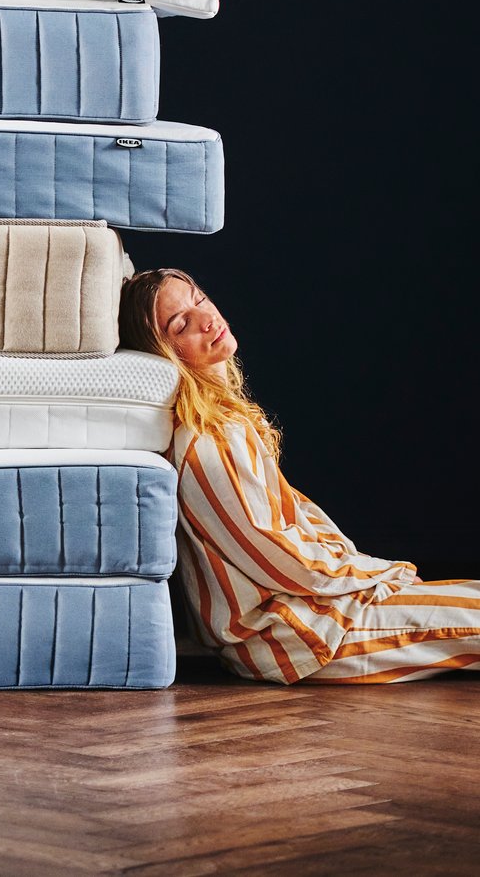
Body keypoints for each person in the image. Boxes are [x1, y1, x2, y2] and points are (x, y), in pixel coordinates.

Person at [119, 267, 480, 685]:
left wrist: (363, 570)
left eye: (198, 299)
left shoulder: (227, 420)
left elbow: (296, 515)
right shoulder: (205, 445)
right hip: (297, 636)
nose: (206, 318)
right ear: (164, 354)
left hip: (318, 609)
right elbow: (279, 556)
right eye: (181, 324)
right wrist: (379, 574)